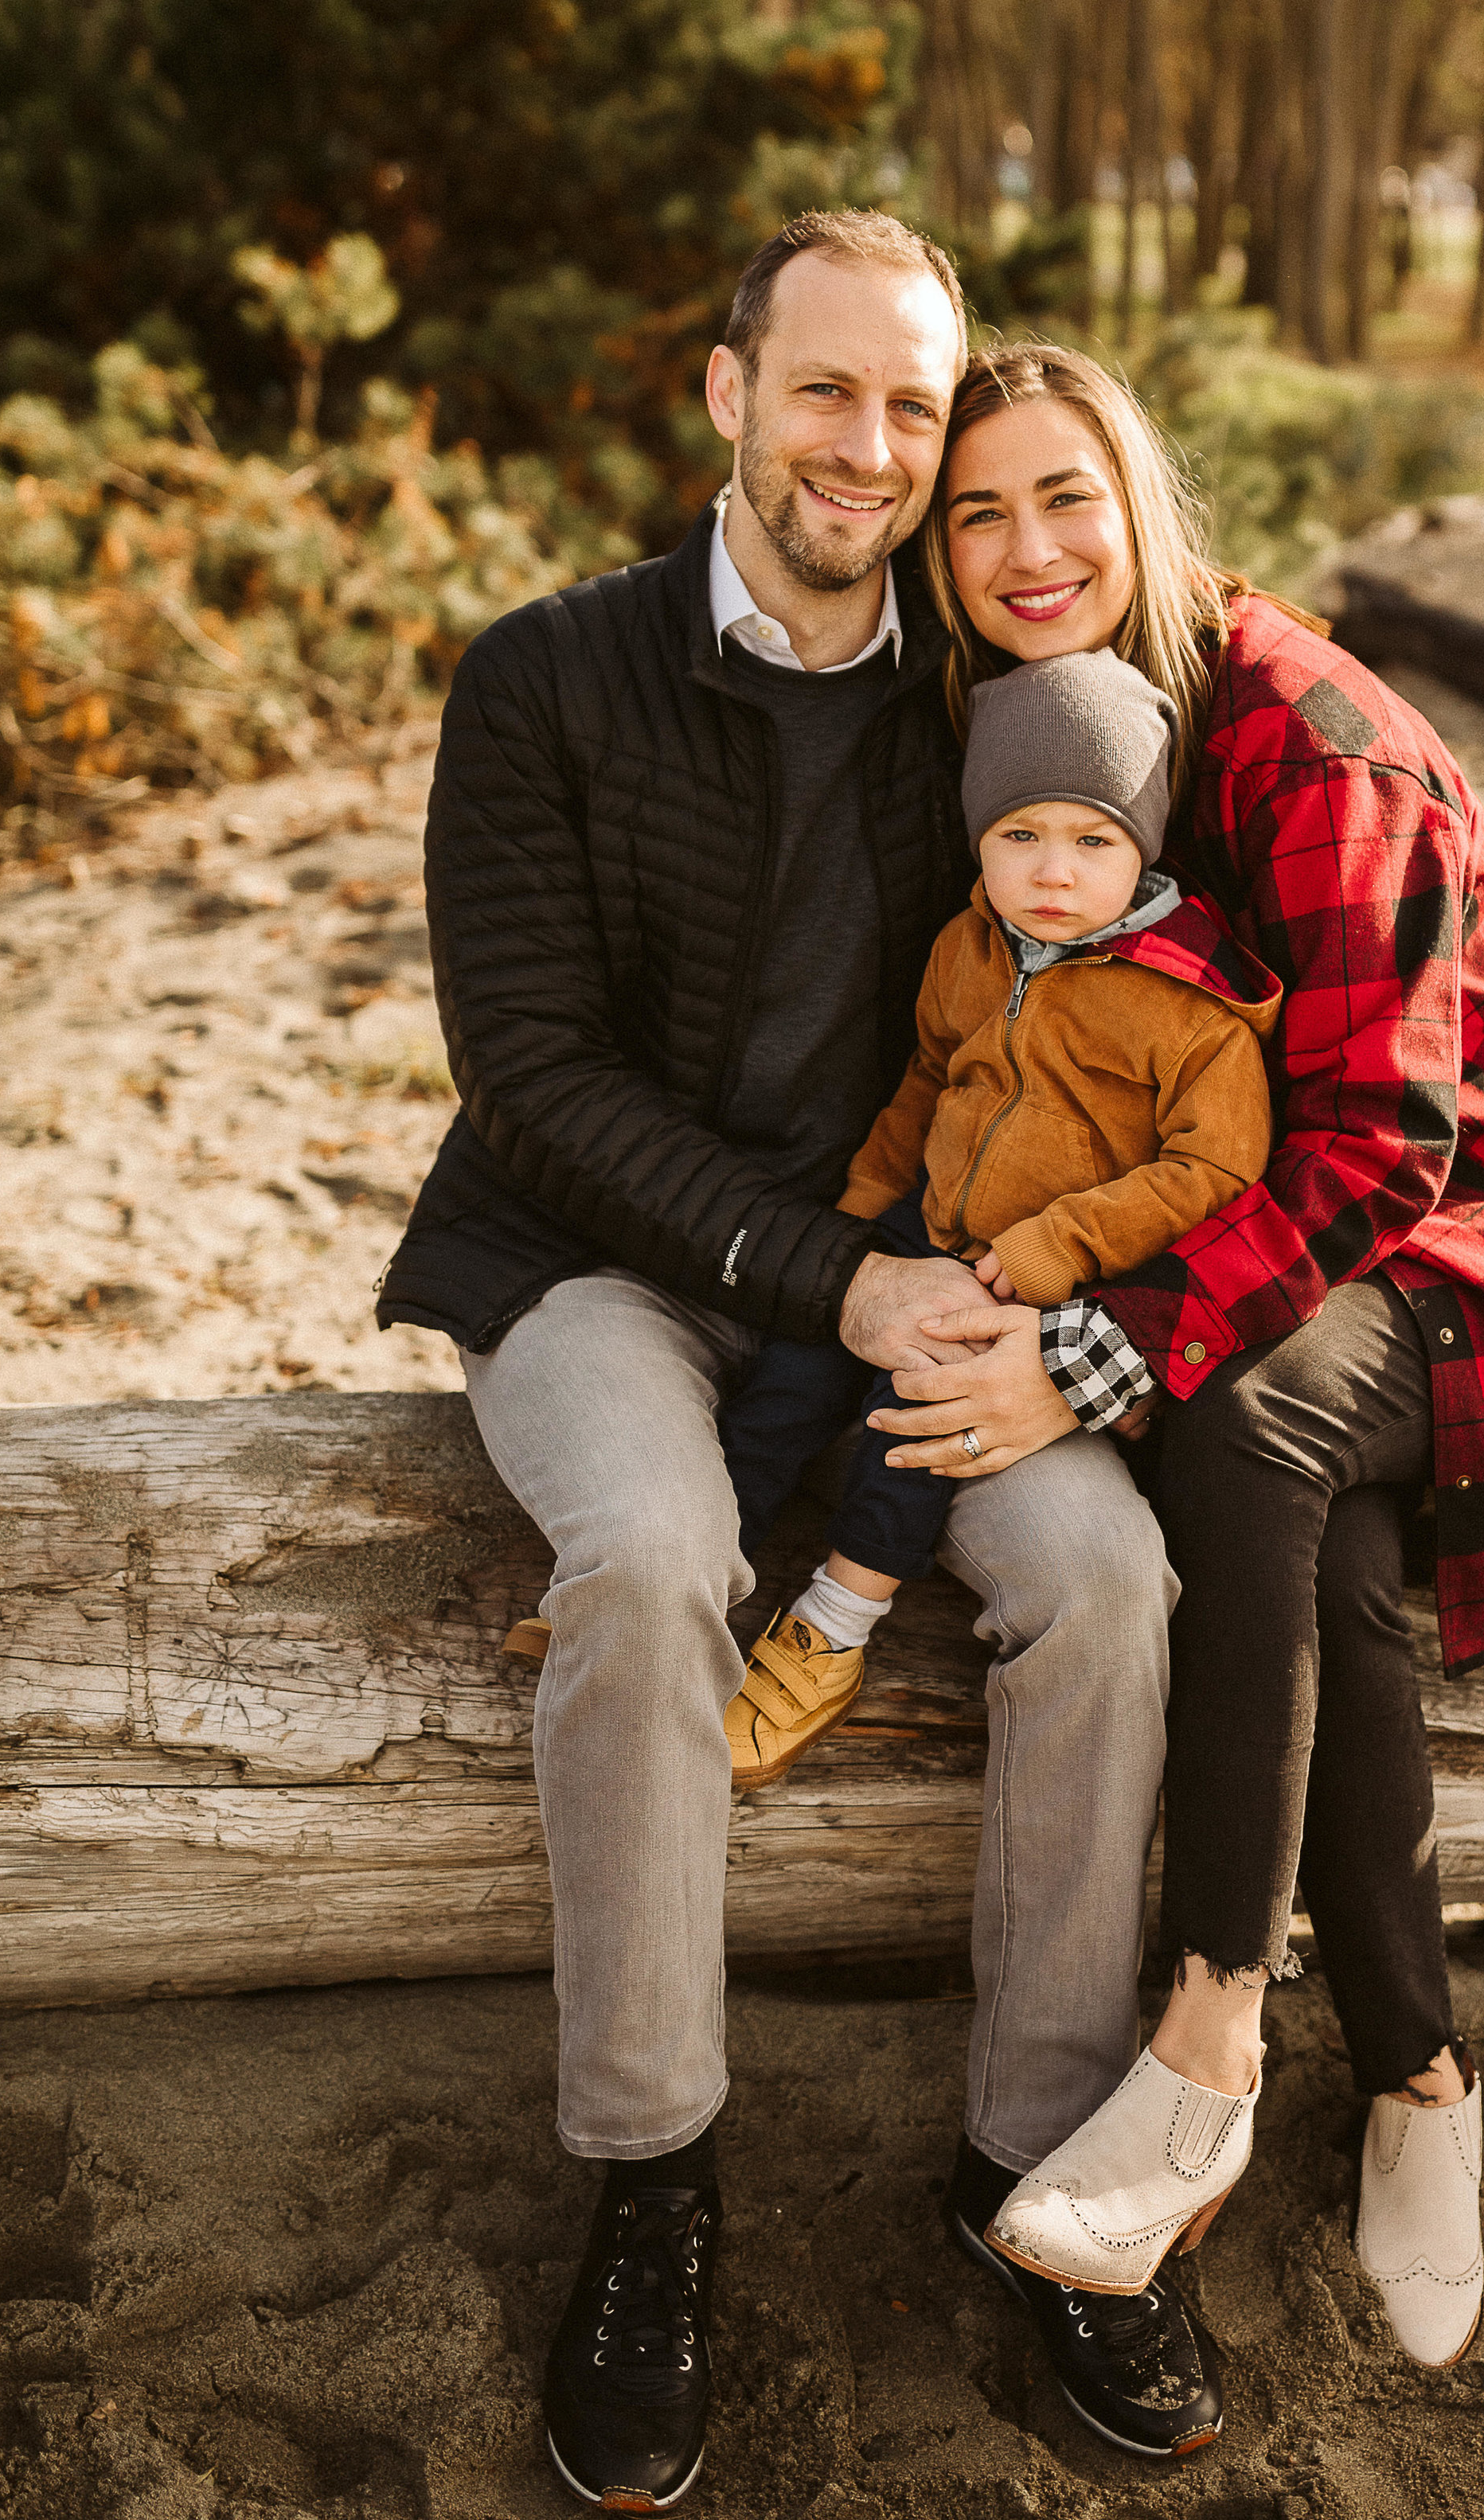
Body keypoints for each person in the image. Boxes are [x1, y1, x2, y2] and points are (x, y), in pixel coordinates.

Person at [375, 216, 1228, 2509]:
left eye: (912, 409)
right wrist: (814, 1270)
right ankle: (656, 2182)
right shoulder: (544, 677)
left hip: (909, 1290)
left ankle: (1040, 2170)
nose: (871, 444)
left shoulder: (979, 709)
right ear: (730, 392)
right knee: (650, 1561)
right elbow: (529, 1070)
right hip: (596, 1271)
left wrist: (966, 1302)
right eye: (825, 389)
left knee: (1109, 1581)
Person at [858, 340, 1484, 2370]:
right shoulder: (1025, 729)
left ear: (1140, 503)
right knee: (1328, 1561)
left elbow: (1383, 1141)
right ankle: (1417, 2081)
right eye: (976, 512)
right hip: (1296, 1204)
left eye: (1064, 500)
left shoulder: (1304, 740)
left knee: (1247, 1417)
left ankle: (1205, 2037)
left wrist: (1088, 1358)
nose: (1025, 550)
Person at [717, 644, 1279, 1789]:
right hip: (927, 1230)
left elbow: (1216, 1165)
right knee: (787, 1376)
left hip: (1054, 1277)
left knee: (912, 1424)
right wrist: (860, 1216)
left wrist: (1053, 1248)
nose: (1054, 872)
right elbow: (927, 1081)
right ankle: (698, 1585)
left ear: (1145, 846)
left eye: (1093, 840)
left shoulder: (1194, 1006)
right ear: (979, 836)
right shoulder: (970, 946)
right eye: (1020, 834)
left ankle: (834, 1626)